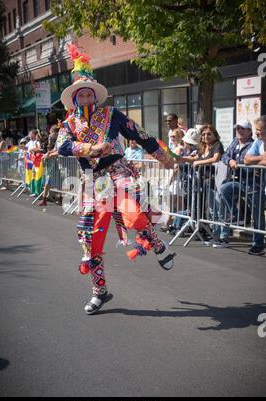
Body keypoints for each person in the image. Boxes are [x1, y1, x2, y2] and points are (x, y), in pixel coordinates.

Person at [57, 44, 176, 315]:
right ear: (75, 99)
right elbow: (62, 146)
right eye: (81, 93)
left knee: (134, 216)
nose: (86, 96)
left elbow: (141, 135)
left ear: (95, 96)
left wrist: (164, 157)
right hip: (92, 181)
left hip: (119, 172)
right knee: (91, 239)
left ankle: (157, 244)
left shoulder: (113, 115)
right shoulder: (69, 125)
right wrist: (90, 149)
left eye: (89, 92)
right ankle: (100, 292)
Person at [218, 120, 255, 248]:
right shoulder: (235, 141)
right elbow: (224, 156)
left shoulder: (252, 144)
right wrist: (230, 161)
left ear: (250, 131)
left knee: (256, 211)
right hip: (232, 180)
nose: (239, 130)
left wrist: (237, 163)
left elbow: (248, 161)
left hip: (249, 182)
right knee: (223, 193)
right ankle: (224, 235)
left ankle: (257, 242)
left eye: (242, 128)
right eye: (238, 128)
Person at [243, 115, 266, 255]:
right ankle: (258, 243)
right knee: (257, 213)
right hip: (260, 185)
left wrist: (256, 162)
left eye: (260, 130)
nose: (257, 132)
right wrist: (261, 158)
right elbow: (246, 160)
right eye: (256, 129)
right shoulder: (258, 143)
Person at [160, 128, 185, 232]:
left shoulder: (179, 148)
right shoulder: (173, 148)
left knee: (176, 201)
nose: (172, 138)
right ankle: (173, 222)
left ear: (180, 137)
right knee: (172, 201)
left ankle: (172, 222)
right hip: (172, 175)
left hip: (177, 177)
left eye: (174, 136)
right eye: (171, 136)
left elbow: (174, 162)